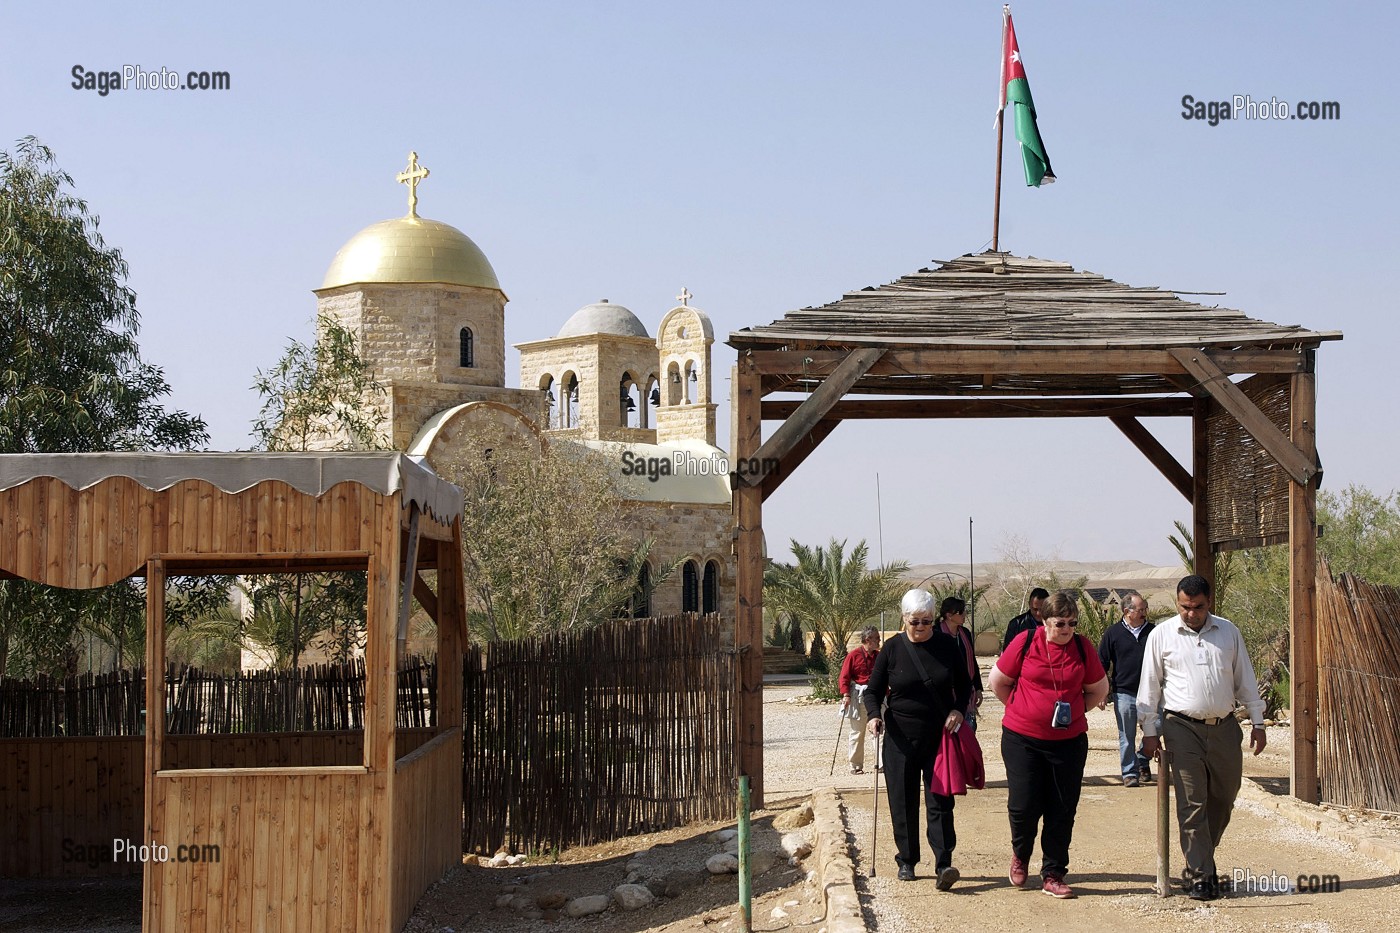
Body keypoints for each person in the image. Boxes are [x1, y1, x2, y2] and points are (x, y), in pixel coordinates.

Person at [1138, 574, 1267, 902]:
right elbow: (1149, 686)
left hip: (1224, 727)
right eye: (1184, 607)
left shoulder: (1228, 632)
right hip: (1181, 727)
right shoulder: (1162, 635)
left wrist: (1258, 721)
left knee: (1224, 797)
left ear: (1209, 603)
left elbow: (1245, 678)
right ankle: (1200, 876)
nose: (1191, 613)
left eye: (1197, 607)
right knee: (1192, 802)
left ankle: (1202, 857)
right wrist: (1150, 732)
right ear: (1177, 603)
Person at [987, 590, 1109, 899]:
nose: (1067, 629)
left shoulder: (1082, 647)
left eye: (1072, 623)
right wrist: (1021, 710)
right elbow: (997, 682)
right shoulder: (1025, 641)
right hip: (1022, 740)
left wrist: (1075, 712)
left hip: (1068, 742)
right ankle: (1021, 854)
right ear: (1044, 620)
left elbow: (1098, 689)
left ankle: (1053, 873)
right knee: (1024, 804)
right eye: (1060, 623)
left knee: (1062, 807)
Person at [865, 589, 972, 889]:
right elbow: (873, 691)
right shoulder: (892, 648)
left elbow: (965, 685)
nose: (921, 627)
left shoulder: (947, 646)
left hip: (939, 738)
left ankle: (943, 863)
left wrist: (958, 709)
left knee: (940, 802)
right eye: (915, 621)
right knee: (903, 801)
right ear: (904, 619)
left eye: (927, 621)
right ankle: (907, 860)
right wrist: (873, 715)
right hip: (900, 739)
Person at [1097, 591, 1157, 786]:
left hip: (1151, 694)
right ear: (1127, 611)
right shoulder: (1113, 633)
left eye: (1145, 608)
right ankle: (1130, 773)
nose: (1144, 612)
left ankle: (1142, 758)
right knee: (1126, 735)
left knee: (1158, 726)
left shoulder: (1154, 632)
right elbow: (1102, 663)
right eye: (1140, 609)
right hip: (1124, 692)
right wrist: (1101, 691)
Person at [838, 626, 882, 774]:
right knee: (857, 731)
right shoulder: (853, 655)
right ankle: (856, 765)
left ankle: (881, 763)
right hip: (859, 696)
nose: (879, 640)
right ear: (868, 640)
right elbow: (844, 677)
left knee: (879, 730)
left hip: (877, 696)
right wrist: (846, 695)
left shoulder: (879, 656)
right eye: (877, 638)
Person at [936, 597, 983, 730]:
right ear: (949, 615)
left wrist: (978, 688)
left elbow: (972, 661)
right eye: (960, 612)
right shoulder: (936, 633)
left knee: (967, 733)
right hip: (944, 694)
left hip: (966, 691)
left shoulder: (965, 633)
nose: (964, 614)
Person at [1000, 587, 1049, 654]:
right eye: (1035, 609)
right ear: (1029, 604)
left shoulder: (1058, 624)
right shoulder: (1016, 624)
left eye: (1042, 609)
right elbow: (1008, 652)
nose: (1038, 613)